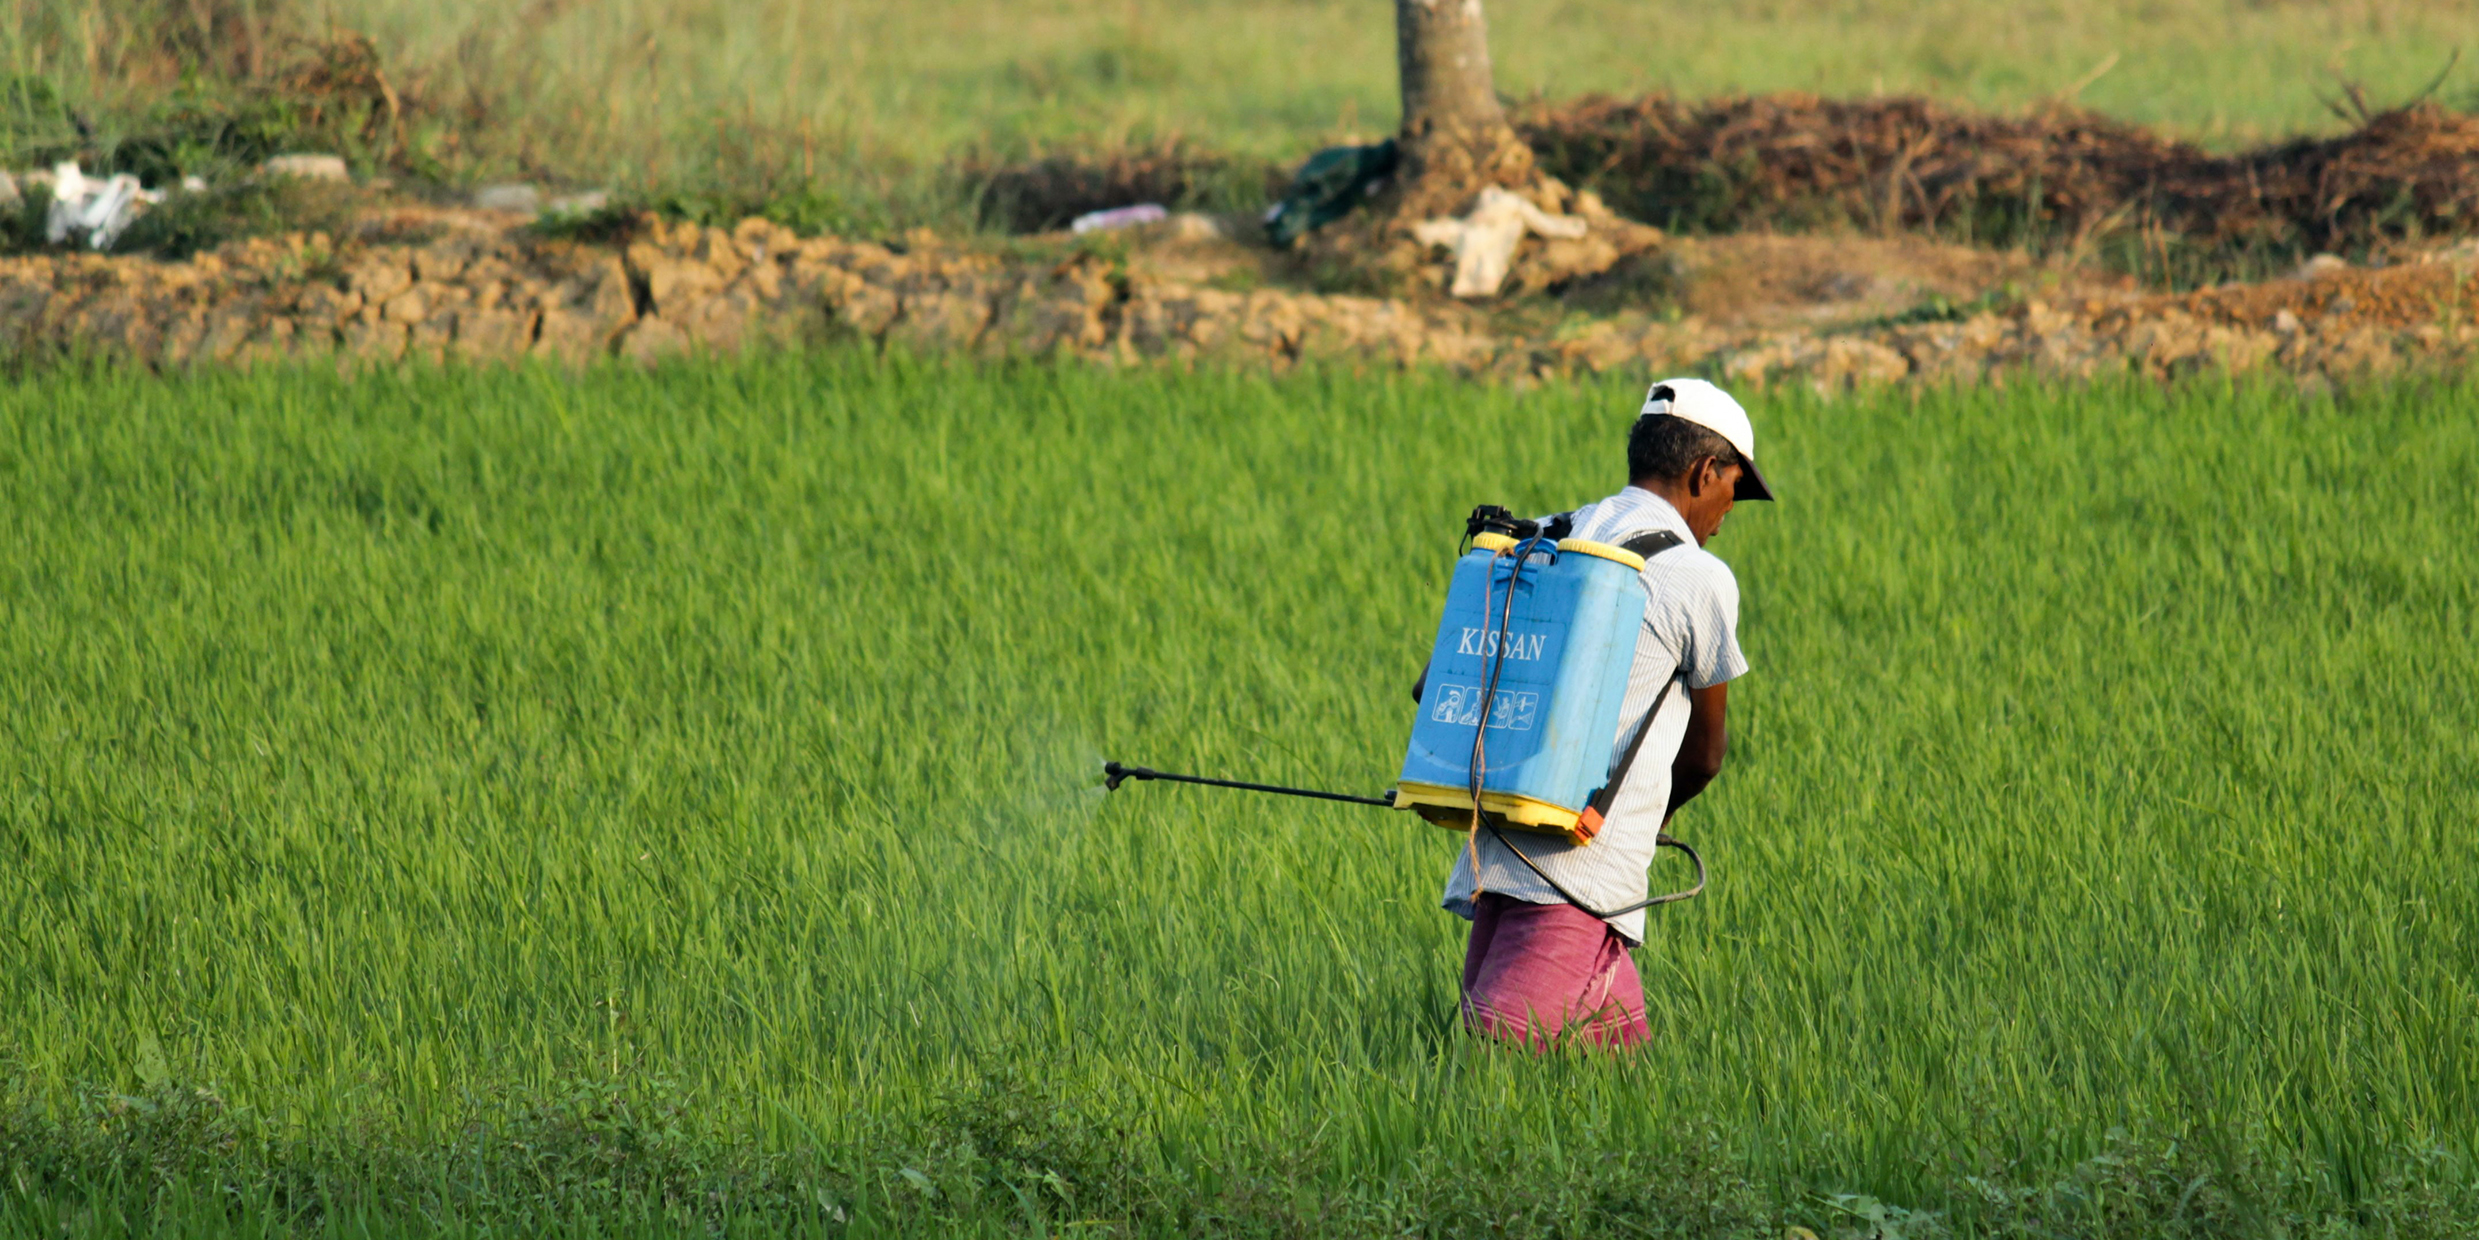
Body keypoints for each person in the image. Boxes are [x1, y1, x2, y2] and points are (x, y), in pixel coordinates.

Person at [1442, 377, 1772, 1050]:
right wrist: (1656, 819)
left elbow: (1441, 680)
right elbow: (1706, 755)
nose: (1728, 508)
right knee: (1498, 1067)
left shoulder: (1546, 535)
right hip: (1581, 877)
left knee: (1615, 1091)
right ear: (1703, 471)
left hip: (1499, 855)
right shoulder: (1697, 575)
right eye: (1734, 486)